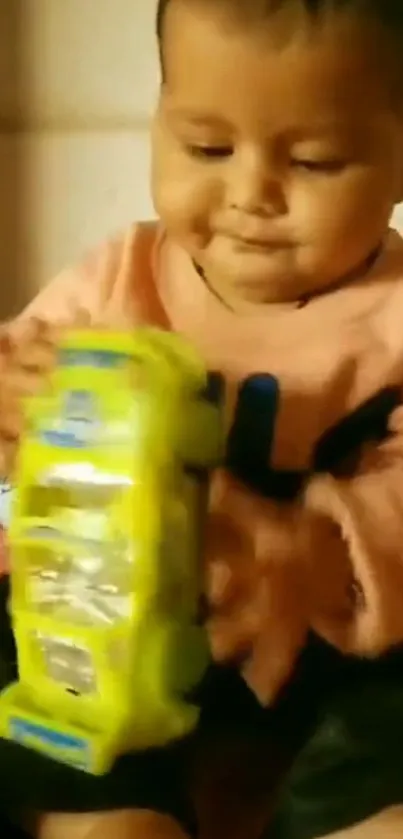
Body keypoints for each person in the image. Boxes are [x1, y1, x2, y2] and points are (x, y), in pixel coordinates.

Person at [2, 0, 403, 836]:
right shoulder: (115, 283)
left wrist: (325, 553)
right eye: (206, 148)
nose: (250, 193)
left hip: (336, 661)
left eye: (316, 161)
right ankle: (105, 817)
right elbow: (18, 403)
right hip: (115, 645)